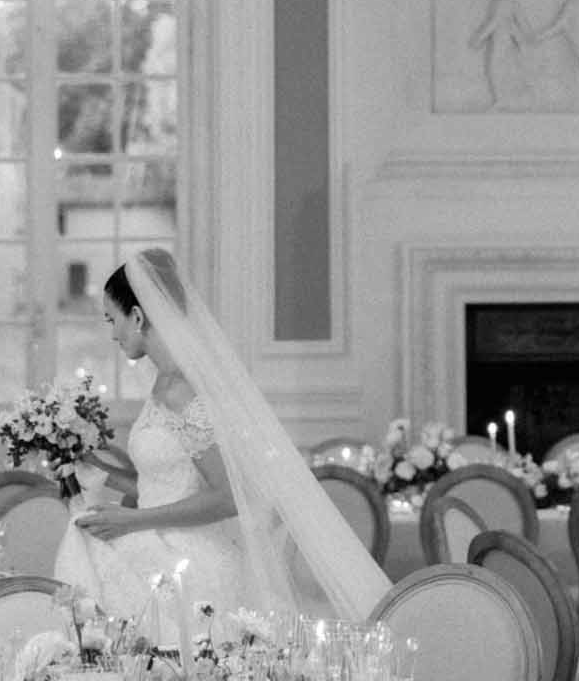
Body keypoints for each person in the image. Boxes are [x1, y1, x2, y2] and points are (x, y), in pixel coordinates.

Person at [54, 248, 391, 636]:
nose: (112, 333)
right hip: (165, 541)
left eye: (113, 320)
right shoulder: (164, 383)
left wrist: (133, 520)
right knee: (86, 544)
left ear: (138, 316)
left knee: (86, 554)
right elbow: (162, 488)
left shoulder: (180, 389)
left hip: (190, 561)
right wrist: (105, 477)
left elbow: (229, 496)